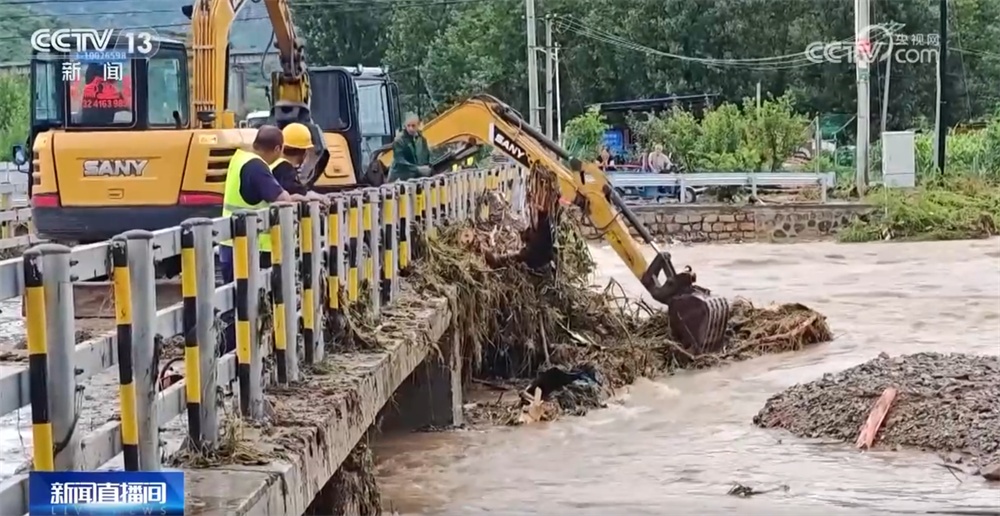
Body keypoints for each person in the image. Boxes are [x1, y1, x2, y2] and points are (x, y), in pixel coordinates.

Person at [217, 125, 310, 354]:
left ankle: (236, 358)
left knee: (236, 304)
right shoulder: (257, 166)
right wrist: (292, 198)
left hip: (232, 246)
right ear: (278, 148)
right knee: (245, 307)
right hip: (249, 248)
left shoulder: (239, 158)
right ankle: (237, 359)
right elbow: (282, 199)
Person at [271, 122, 329, 203]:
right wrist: (318, 197)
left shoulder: (274, 164)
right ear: (305, 153)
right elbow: (298, 192)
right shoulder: (285, 169)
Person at [387, 113, 432, 182]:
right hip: (399, 179)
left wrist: (428, 168)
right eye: (408, 126)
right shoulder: (399, 141)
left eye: (413, 126)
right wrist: (418, 169)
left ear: (418, 125)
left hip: (415, 179)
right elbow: (400, 161)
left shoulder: (422, 140)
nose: (410, 128)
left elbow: (426, 157)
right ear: (405, 125)